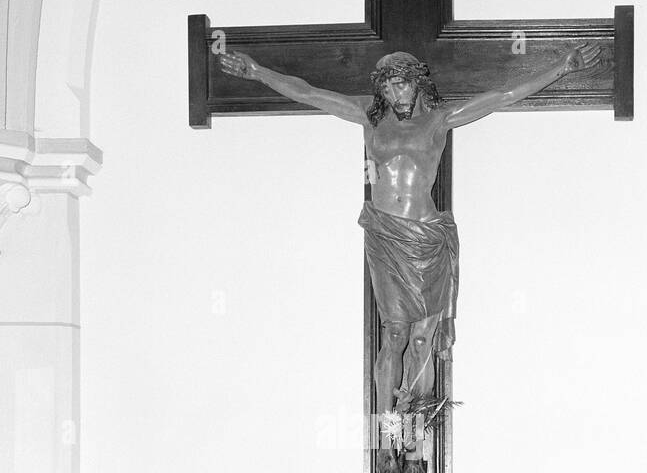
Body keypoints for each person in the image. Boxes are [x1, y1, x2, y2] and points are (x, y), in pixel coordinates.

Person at [216, 43, 610, 430]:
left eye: (401, 84)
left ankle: (415, 429)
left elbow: (501, 96)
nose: (393, 93)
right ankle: (388, 431)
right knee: (395, 332)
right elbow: (308, 92)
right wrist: (256, 71)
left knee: (423, 339)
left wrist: (561, 67)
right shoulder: (367, 117)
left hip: (425, 239)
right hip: (386, 236)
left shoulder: (439, 119)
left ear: (418, 83)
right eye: (386, 87)